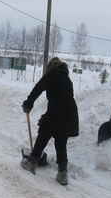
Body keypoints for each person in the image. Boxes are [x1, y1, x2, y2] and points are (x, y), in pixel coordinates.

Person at [20, 57, 79, 185]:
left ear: (50, 67)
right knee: (61, 140)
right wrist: (47, 114)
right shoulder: (67, 78)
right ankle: (63, 173)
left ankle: (31, 162)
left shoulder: (52, 75)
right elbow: (63, 99)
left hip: (57, 111)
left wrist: (29, 103)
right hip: (69, 112)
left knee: (44, 133)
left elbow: (38, 88)